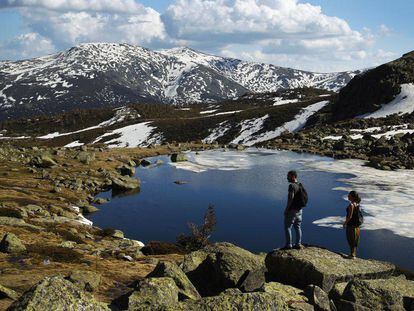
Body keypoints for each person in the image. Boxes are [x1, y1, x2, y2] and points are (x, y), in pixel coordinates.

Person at [283, 170, 305, 250]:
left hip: (292, 210)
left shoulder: (292, 186)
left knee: (287, 227)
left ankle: (289, 245)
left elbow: (290, 198)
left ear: (293, 176)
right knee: (298, 227)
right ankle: (298, 244)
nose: (287, 178)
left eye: (288, 176)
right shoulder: (300, 185)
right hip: (300, 210)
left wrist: (286, 209)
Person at [343, 191, 362, 259]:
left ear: (352, 197)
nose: (348, 196)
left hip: (351, 225)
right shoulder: (357, 204)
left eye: (349, 195)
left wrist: (345, 223)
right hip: (357, 226)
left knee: (351, 240)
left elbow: (350, 216)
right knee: (355, 240)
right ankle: (353, 254)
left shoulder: (351, 205)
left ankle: (352, 255)